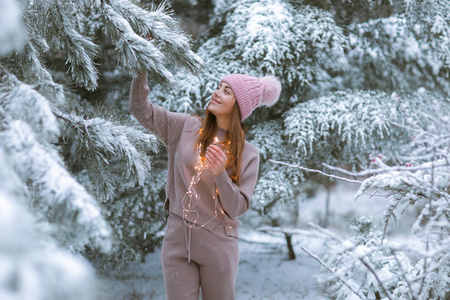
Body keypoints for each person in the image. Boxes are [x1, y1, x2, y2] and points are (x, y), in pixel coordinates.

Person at [129, 71, 281, 300]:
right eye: (219, 87)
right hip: (178, 242)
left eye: (226, 91)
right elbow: (140, 109)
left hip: (219, 246)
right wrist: (141, 64)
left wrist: (221, 174)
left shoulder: (249, 154)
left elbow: (238, 207)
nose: (216, 92)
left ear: (239, 105)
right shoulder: (184, 127)